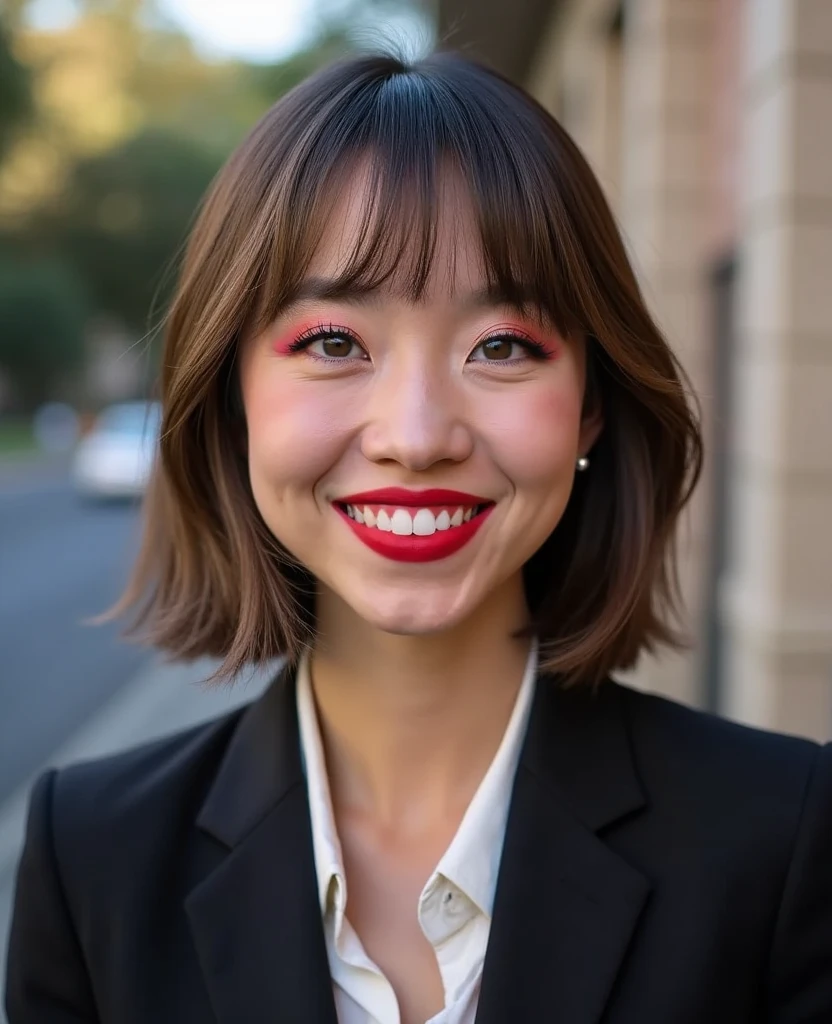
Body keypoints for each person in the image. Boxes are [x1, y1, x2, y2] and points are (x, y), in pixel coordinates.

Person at [5, 50, 832, 1024]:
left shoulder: (779, 836)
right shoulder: (93, 853)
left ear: (590, 409)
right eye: (332, 344)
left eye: (501, 347)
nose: (415, 435)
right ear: (233, 397)